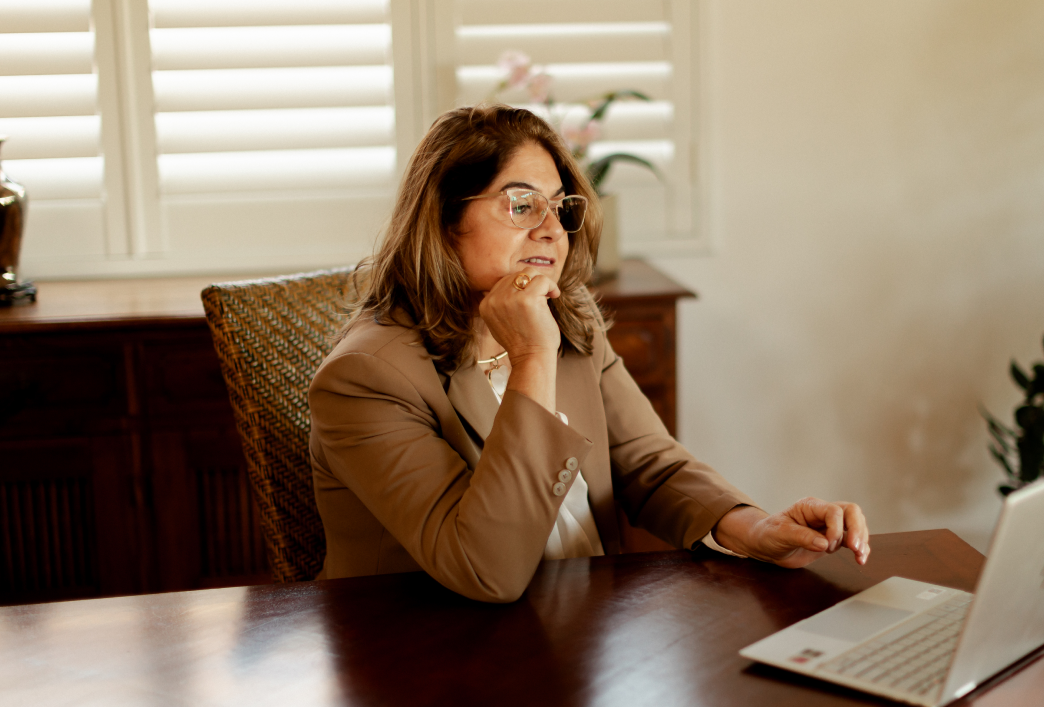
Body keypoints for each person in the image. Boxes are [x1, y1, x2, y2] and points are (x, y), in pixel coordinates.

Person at [308, 104, 869, 603]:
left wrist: (758, 530)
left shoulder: (569, 318)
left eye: (560, 207)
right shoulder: (365, 378)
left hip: (580, 625)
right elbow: (487, 571)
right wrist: (532, 358)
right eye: (522, 206)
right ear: (445, 219)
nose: (553, 230)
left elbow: (652, 467)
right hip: (427, 656)